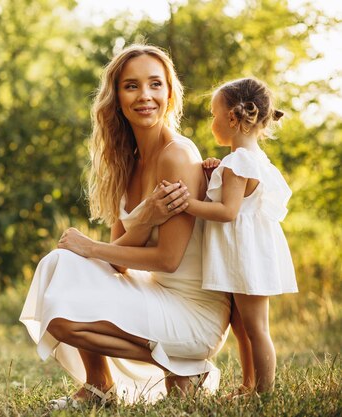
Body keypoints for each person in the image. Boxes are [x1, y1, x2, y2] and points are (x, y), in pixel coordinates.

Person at [19, 44, 231, 407]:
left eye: (155, 84)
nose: (144, 96)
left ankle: (186, 367)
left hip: (193, 312)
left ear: (169, 93)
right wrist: (146, 217)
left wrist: (90, 247)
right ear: (116, 97)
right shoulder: (127, 161)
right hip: (158, 295)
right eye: (131, 86)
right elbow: (119, 262)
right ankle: (100, 387)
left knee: (63, 315)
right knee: (61, 263)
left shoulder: (177, 155)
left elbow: (167, 260)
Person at [183, 77, 298, 394]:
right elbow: (234, 201)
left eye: (213, 114)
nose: (212, 121)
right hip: (249, 251)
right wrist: (212, 177)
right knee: (243, 324)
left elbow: (227, 211)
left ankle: (262, 393)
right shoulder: (252, 159)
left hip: (245, 255)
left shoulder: (237, 163)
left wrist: (187, 203)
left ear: (232, 118)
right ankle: (249, 385)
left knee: (256, 328)